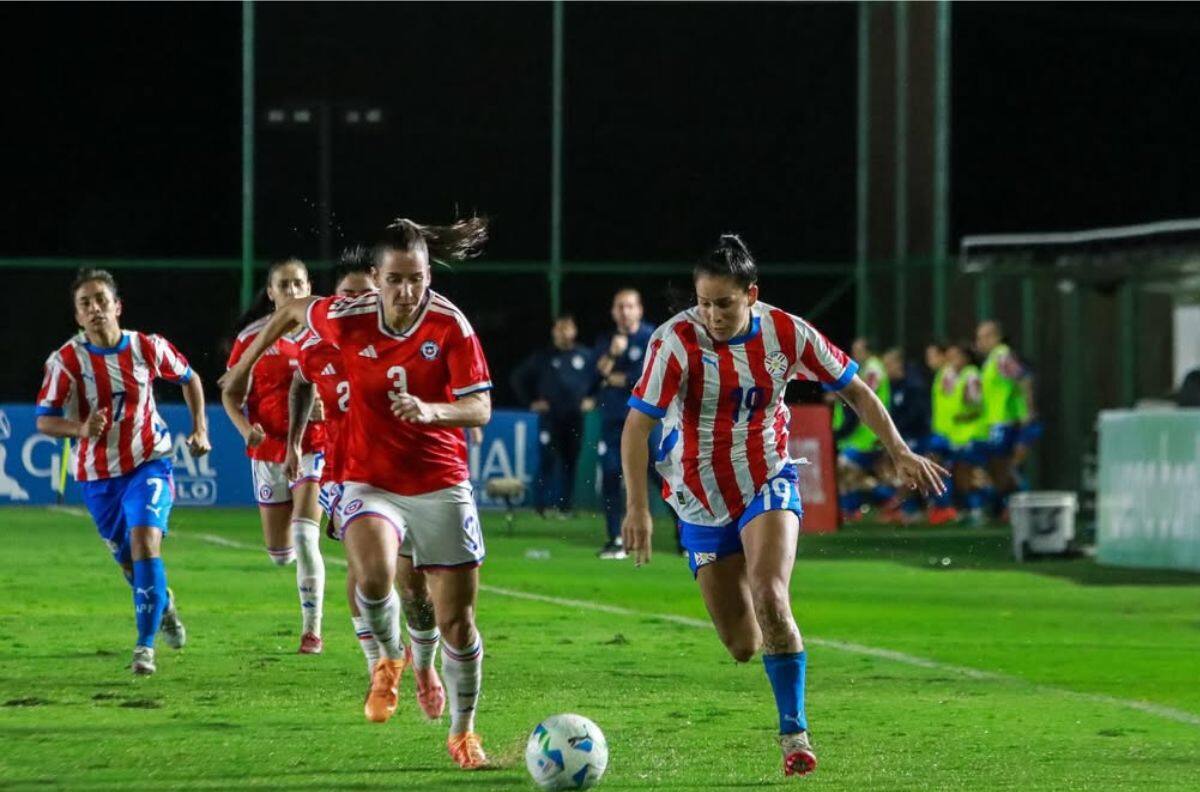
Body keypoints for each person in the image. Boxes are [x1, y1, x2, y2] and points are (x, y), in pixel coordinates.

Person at [620, 235, 947, 777]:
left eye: (724, 303)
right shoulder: (674, 341)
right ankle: (741, 588)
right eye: (703, 303)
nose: (712, 315)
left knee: (772, 594)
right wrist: (637, 508)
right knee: (743, 645)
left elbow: (855, 388)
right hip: (698, 500)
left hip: (766, 479)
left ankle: (794, 734)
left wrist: (899, 450)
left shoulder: (787, 332)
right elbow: (637, 426)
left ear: (752, 294)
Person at [221, 217, 493, 770]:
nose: (406, 293)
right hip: (367, 480)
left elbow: (480, 407)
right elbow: (293, 311)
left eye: (416, 279)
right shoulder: (345, 316)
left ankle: (463, 734)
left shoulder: (451, 326)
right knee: (372, 574)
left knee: (455, 623)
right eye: (394, 280)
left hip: (440, 481)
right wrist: (243, 368)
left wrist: (432, 410)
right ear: (376, 277)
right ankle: (387, 661)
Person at [285, 249, 447, 720]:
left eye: (363, 293)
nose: (355, 302)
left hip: (407, 473)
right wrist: (296, 440)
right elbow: (300, 383)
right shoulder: (316, 346)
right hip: (346, 474)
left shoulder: (406, 339)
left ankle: (426, 668)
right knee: (364, 575)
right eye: (345, 295)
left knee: (413, 584)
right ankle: (380, 664)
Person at [35, 269, 211, 675]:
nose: (95, 309)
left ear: (117, 306)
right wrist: (79, 429)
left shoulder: (147, 347)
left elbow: (191, 378)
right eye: (85, 304)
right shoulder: (65, 362)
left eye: (101, 300)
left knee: (146, 542)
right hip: (97, 477)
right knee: (130, 564)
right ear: (78, 317)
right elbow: (44, 420)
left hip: (149, 461)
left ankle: (144, 647)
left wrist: (200, 428)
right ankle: (163, 605)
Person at [222, 258, 328, 654]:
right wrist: (246, 430)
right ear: (270, 293)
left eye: (299, 283)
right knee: (281, 555)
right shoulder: (252, 337)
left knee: (305, 536)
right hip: (267, 452)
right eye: (284, 285)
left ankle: (312, 630)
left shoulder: (325, 333)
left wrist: (328, 409)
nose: (293, 292)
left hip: (314, 446)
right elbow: (231, 394)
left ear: (309, 286)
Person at [510, 314, 596, 517]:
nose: (563, 333)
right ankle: (541, 506)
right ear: (553, 332)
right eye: (559, 329)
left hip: (575, 418)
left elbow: (600, 380)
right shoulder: (543, 357)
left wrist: (593, 399)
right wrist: (530, 402)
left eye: (567, 328)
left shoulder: (585, 356)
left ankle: (565, 507)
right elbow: (517, 378)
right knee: (547, 460)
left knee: (570, 462)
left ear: (574, 331)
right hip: (550, 418)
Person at [593, 289, 656, 558]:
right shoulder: (607, 340)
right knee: (610, 475)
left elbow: (647, 378)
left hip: (648, 422)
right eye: (620, 307)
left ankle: (686, 539)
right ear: (613, 311)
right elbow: (597, 373)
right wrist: (611, 354)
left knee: (662, 476)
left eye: (630, 306)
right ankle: (616, 538)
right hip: (613, 422)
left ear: (639, 310)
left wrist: (619, 378)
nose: (625, 311)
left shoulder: (651, 337)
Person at [975, 320, 1037, 513]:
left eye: (984, 337)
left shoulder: (1002, 356)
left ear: (996, 337)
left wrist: (1027, 410)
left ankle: (1021, 504)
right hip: (995, 421)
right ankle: (1008, 506)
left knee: (1004, 466)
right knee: (999, 467)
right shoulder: (993, 359)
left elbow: (1023, 378)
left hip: (1005, 421)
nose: (979, 341)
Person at [832, 337, 892, 521]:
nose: (855, 353)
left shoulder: (873, 368)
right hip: (860, 434)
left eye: (858, 350)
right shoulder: (867, 368)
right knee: (850, 472)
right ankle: (852, 508)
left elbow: (866, 396)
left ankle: (888, 497)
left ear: (868, 351)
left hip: (867, 434)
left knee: (845, 467)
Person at [879, 348, 930, 524]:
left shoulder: (913, 385)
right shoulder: (894, 385)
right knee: (888, 466)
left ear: (898, 364)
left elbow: (917, 415)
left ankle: (907, 507)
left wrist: (895, 432)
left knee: (906, 467)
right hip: (904, 437)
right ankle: (905, 506)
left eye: (888, 365)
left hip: (918, 437)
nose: (885, 369)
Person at [945, 340, 991, 525]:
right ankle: (969, 508)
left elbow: (977, 404)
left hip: (973, 433)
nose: (951, 359)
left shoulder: (971, 375)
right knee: (960, 473)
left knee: (971, 473)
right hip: (960, 435)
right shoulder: (958, 375)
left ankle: (979, 509)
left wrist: (964, 416)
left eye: (955, 356)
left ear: (965, 358)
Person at [924, 342, 959, 525]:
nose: (929, 360)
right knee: (939, 469)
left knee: (937, 468)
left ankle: (945, 507)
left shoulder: (948, 374)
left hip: (948, 434)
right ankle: (942, 507)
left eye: (932, 355)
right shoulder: (942, 375)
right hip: (942, 432)